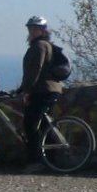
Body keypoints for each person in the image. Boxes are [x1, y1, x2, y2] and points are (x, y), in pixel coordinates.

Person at [16, 15, 63, 172]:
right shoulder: (42, 45)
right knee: (43, 125)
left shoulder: (40, 46)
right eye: (30, 28)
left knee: (30, 124)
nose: (32, 31)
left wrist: (26, 91)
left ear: (43, 30)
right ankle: (51, 161)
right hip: (46, 90)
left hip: (44, 91)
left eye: (36, 29)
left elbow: (35, 70)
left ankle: (36, 161)